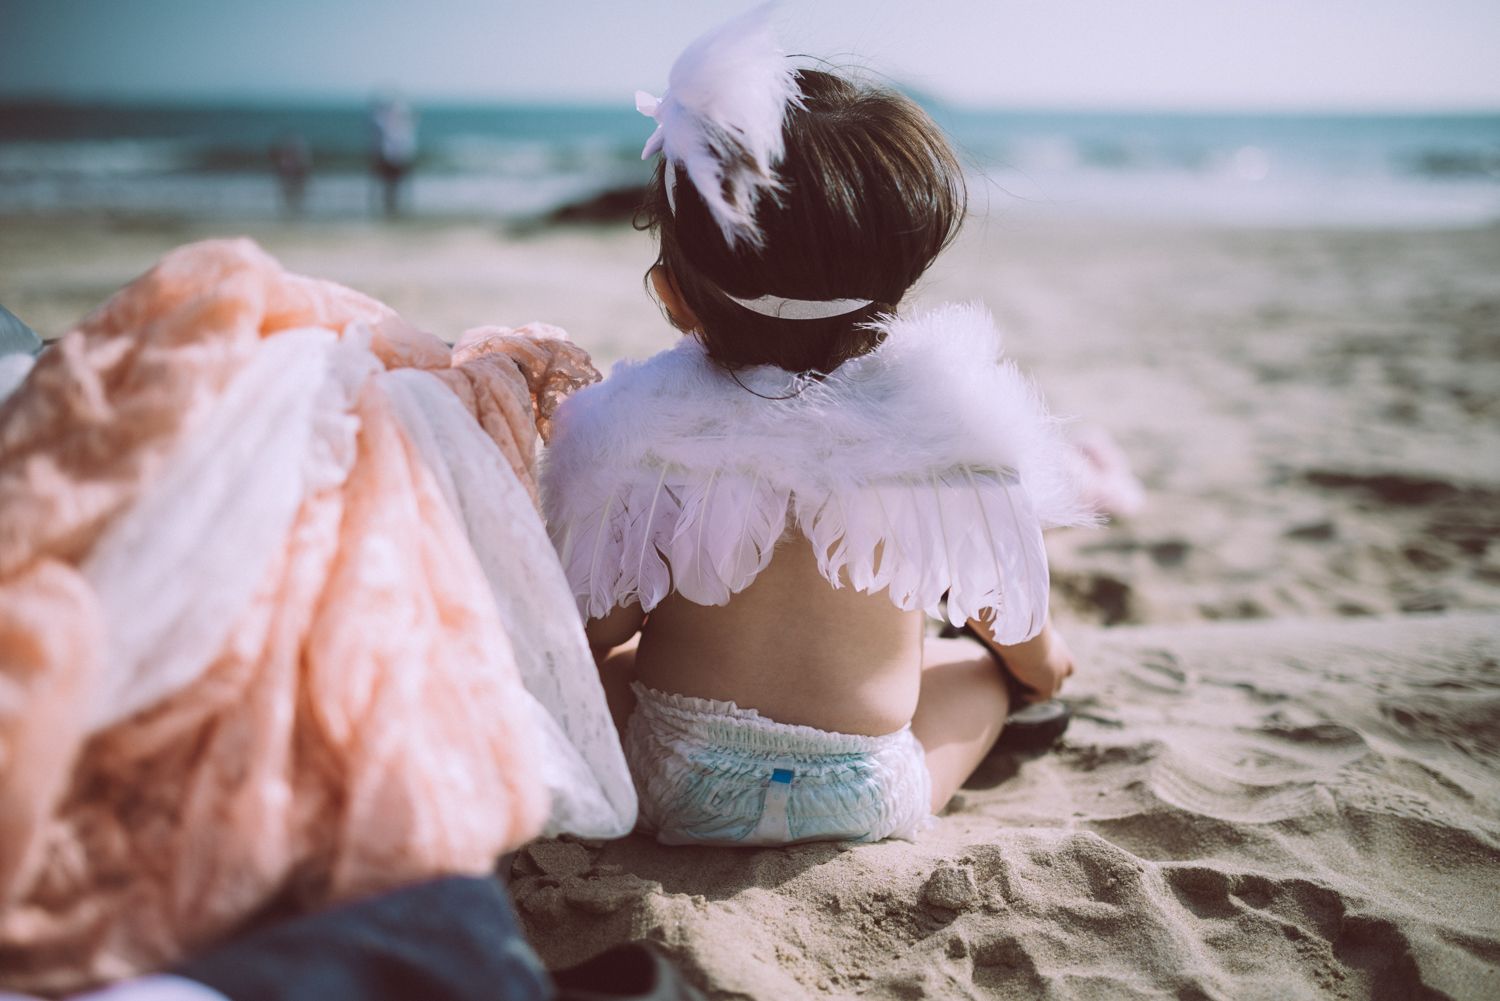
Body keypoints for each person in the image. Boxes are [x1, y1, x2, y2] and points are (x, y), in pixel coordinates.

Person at [540, 6, 1092, 847]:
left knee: (609, 671)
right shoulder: (941, 431)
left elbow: (591, 634)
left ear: (674, 297)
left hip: (678, 781)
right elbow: (1016, 633)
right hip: (863, 792)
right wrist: (1038, 671)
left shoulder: (646, 430)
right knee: (978, 669)